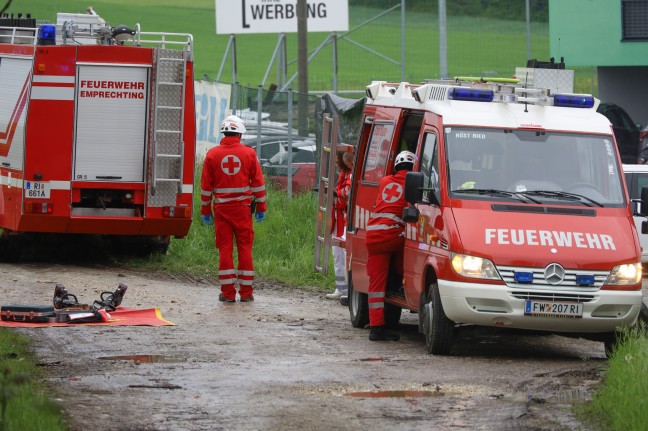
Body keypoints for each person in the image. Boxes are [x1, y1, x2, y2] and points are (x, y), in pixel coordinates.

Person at [200, 115, 267, 303]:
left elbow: (206, 187)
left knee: (225, 249)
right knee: (245, 247)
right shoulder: (249, 154)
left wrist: (206, 211)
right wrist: (261, 206)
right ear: (240, 133)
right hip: (243, 209)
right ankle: (246, 293)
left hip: (221, 210)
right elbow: (258, 184)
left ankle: (228, 294)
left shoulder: (212, 154)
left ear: (224, 132)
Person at [365, 150, 416, 341]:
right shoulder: (412, 184)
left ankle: (376, 329)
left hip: (373, 237)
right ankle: (401, 283)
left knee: (376, 286)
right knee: (414, 244)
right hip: (392, 236)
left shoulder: (385, 181)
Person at [325, 149, 354, 304]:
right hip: (338, 219)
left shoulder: (350, 174)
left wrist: (336, 193)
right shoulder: (343, 175)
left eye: (337, 161)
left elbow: (348, 192)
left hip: (344, 220)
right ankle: (340, 288)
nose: (336, 164)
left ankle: (347, 289)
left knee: (343, 254)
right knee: (337, 254)